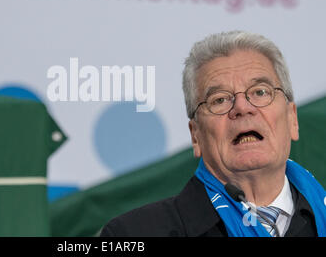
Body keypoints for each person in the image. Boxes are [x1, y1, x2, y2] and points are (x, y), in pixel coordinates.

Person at [100, 30, 326, 237]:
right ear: (195, 135)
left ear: (292, 119)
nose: (242, 108)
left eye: (260, 92)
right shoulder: (132, 234)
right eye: (220, 99)